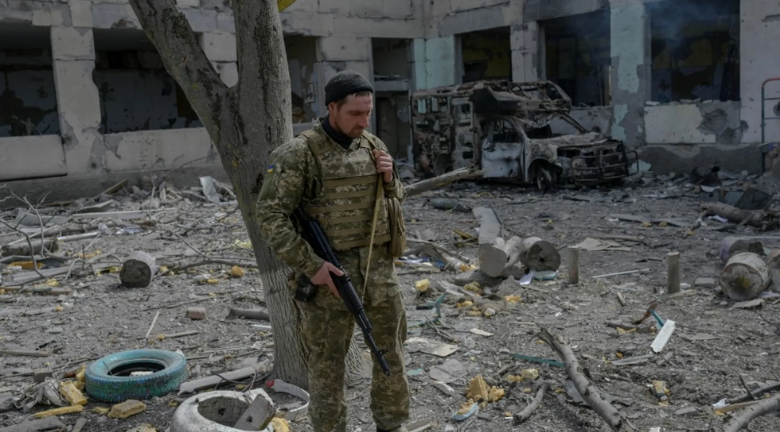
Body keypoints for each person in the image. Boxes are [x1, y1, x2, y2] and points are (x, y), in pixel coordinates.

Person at [255, 70, 410, 432]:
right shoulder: (299, 154)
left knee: (391, 354)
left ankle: (392, 424)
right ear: (332, 108)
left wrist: (391, 179)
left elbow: (395, 198)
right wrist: (312, 265)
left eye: (368, 113)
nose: (364, 122)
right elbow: (269, 215)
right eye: (355, 114)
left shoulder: (373, 145)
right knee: (327, 366)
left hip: (379, 273)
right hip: (330, 279)